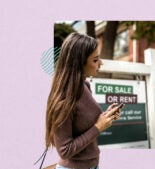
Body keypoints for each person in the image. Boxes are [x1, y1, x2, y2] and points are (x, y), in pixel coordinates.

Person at [45, 32, 120, 169]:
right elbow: (64, 151)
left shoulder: (85, 86)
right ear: (79, 63)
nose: (101, 63)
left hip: (93, 164)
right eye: (95, 60)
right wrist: (99, 127)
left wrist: (105, 117)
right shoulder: (64, 100)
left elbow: (84, 122)